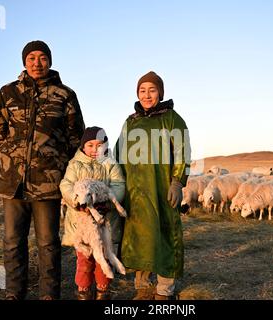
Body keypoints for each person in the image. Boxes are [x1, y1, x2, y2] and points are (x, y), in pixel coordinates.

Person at [0, 40, 85, 300]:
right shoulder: (7, 92)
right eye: (31, 57)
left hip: (48, 184)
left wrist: (55, 162)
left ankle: (48, 295)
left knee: (48, 243)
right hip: (13, 183)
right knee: (12, 243)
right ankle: (14, 293)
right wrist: (17, 156)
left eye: (42, 58)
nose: (37, 63)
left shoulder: (65, 94)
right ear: (24, 61)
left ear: (50, 61)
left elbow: (75, 136)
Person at [115, 71, 191, 300]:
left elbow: (183, 151)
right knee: (139, 237)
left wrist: (177, 181)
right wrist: (115, 183)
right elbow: (118, 154)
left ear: (160, 92)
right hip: (134, 192)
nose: (147, 95)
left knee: (165, 235)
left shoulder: (171, 118)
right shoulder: (131, 121)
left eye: (152, 90)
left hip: (161, 189)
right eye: (142, 90)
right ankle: (143, 287)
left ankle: (164, 290)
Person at [60, 126, 125, 300]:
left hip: (105, 223)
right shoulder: (75, 165)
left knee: (103, 259)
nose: (95, 149)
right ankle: (83, 292)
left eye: (99, 145)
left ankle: (103, 292)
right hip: (81, 224)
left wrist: (107, 204)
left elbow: (118, 185)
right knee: (84, 261)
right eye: (90, 145)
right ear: (83, 146)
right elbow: (65, 185)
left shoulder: (111, 164)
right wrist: (75, 201)